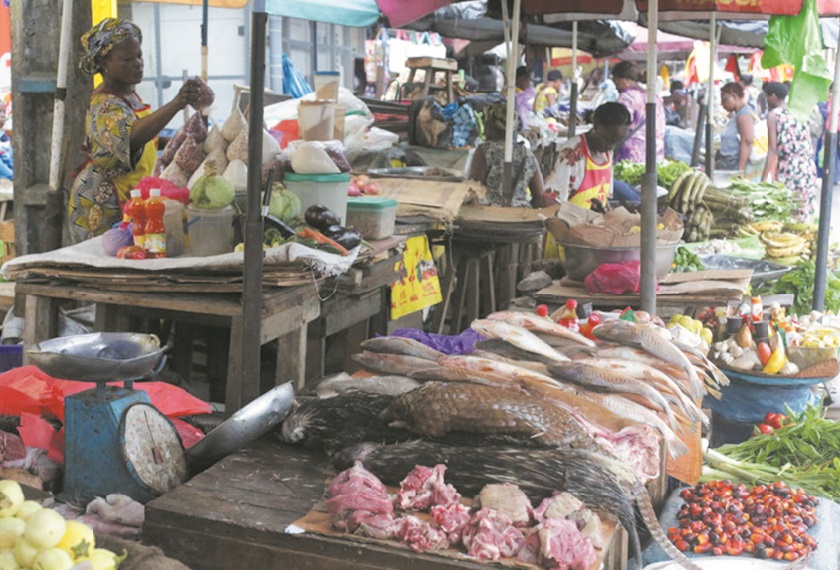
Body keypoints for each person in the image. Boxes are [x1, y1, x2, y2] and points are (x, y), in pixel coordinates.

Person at [68, 18, 205, 243]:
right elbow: (131, 137)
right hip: (102, 203)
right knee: (109, 261)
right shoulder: (105, 104)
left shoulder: (129, 97)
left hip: (130, 195)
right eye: (127, 59)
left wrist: (180, 140)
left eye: (139, 56)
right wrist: (176, 103)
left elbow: (145, 138)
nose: (138, 63)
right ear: (105, 64)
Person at [545, 102, 632, 210]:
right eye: (608, 140)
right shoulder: (573, 153)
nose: (611, 147)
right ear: (596, 126)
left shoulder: (606, 152)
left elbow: (603, 198)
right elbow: (551, 200)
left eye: (617, 142)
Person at [469, 102, 545, 208]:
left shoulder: (484, 150)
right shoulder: (527, 153)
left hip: (489, 213)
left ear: (489, 127)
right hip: (520, 213)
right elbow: (539, 195)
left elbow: (473, 188)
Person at [761, 82, 818, 222]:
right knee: (803, 210)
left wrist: (763, 178)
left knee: (788, 211)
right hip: (807, 166)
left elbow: (772, 149)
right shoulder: (798, 110)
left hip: (789, 168)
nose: (766, 101)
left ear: (773, 97)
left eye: (766, 97)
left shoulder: (773, 115)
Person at [612, 61, 665, 164]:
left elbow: (617, 126)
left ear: (624, 80)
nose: (616, 87)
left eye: (616, 82)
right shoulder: (655, 97)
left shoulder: (627, 97)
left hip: (632, 155)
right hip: (656, 154)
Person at [716, 82, 754, 172]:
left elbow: (747, 141)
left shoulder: (743, 114)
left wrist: (740, 169)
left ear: (734, 97)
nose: (722, 104)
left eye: (724, 100)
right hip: (728, 163)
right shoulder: (738, 114)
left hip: (734, 165)